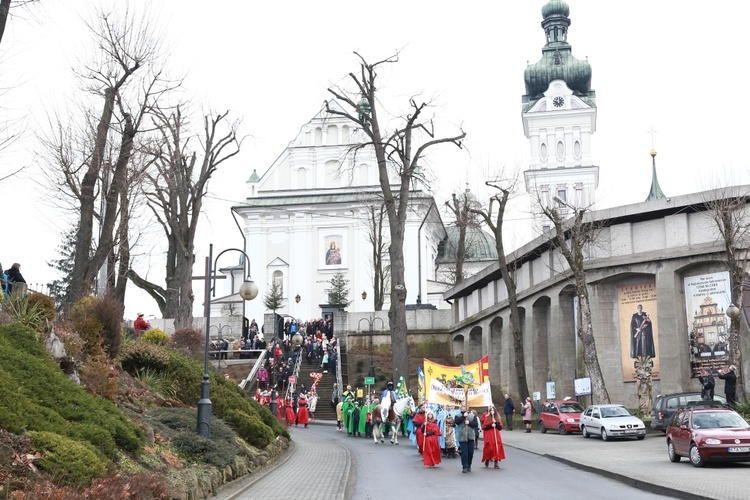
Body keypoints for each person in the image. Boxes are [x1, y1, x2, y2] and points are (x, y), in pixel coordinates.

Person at [454, 405, 478, 473]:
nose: (465, 407)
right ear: (461, 407)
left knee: (470, 452)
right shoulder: (458, 415)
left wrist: (469, 423)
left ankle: (469, 465)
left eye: (466, 406)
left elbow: (475, 424)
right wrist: (463, 416)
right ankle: (464, 466)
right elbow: (457, 422)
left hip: (470, 436)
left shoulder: (472, 415)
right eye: (463, 406)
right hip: (462, 436)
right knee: (464, 452)